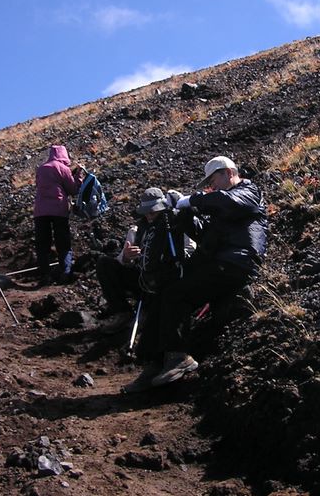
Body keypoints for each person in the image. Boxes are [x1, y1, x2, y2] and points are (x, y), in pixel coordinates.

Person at [124, 156, 268, 393]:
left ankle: (178, 357)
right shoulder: (222, 202)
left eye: (213, 180)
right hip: (219, 261)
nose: (212, 186)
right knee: (163, 294)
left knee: (177, 294)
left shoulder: (248, 191)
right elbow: (205, 235)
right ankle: (154, 363)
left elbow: (225, 201)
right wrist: (185, 213)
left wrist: (192, 200)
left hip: (237, 262)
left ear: (228, 173)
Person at [96, 187, 194, 334]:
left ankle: (151, 313)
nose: (149, 215)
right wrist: (127, 257)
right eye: (146, 212)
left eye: (153, 211)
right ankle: (122, 312)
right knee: (104, 263)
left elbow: (191, 249)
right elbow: (123, 262)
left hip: (167, 278)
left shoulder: (176, 225)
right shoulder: (137, 230)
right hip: (142, 278)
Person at [33, 145, 81, 285]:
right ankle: (66, 272)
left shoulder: (41, 169)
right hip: (59, 210)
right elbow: (72, 189)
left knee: (43, 244)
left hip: (40, 211)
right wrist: (78, 177)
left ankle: (45, 274)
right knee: (63, 243)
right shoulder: (63, 168)